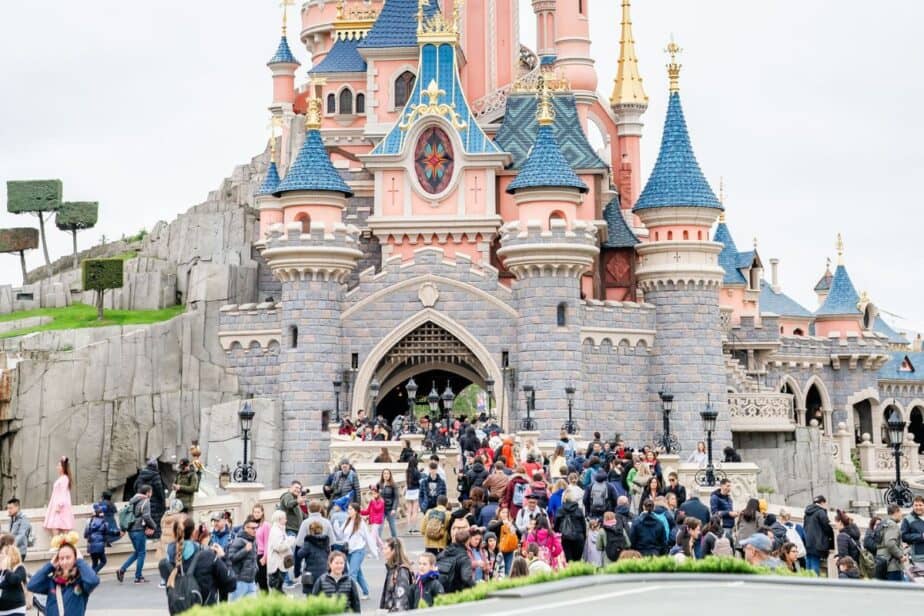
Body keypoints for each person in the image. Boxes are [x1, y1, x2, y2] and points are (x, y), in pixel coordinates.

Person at [28, 535, 100, 616]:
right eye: (61, 558)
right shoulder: (53, 581)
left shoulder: (81, 581)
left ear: (75, 559)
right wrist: (50, 565)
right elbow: (31, 585)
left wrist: (80, 561)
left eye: (68, 558)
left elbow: (93, 581)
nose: (64, 562)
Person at [116, 484, 157, 584]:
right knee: (142, 553)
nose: (151, 494)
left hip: (131, 530)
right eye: (151, 492)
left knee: (137, 552)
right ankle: (138, 577)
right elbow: (146, 516)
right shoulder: (145, 501)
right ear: (147, 492)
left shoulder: (133, 500)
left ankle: (122, 570)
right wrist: (154, 526)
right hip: (139, 530)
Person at [338, 502, 378, 600]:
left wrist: (374, 552)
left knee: (352, 574)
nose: (349, 511)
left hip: (358, 551)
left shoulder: (361, 523)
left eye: (351, 509)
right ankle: (366, 591)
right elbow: (341, 534)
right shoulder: (347, 520)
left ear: (356, 511)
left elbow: (368, 538)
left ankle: (349, 596)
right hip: (349, 551)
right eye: (348, 509)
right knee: (358, 573)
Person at [226, 516, 259, 600]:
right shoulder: (239, 540)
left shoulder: (253, 540)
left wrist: (256, 568)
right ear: (245, 528)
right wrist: (245, 550)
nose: (255, 530)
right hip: (239, 581)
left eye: (256, 528)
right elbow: (231, 558)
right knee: (234, 610)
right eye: (253, 528)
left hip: (251, 581)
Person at [436, 527, 475, 593]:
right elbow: (466, 578)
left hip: (439, 588)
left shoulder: (445, 551)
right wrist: (477, 588)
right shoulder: (464, 558)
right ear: (468, 541)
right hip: (455, 592)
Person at [43, 456, 75, 536]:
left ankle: (60, 546)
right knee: (57, 526)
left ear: (63, 467)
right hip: (58, 504)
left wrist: (59, 505)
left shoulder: (64, 478)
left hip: (60, 506)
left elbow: (63, 493)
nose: (57, 467)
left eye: (59, 466)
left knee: (58, 526)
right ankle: (57, 545)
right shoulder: (63, 478)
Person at [876, 504, 908, 582]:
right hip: (892, 565)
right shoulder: (892, 525)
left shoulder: (884, 524)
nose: (901, 515)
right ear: (896, 512)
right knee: (897, 592)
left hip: (883, 563)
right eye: (900, 513)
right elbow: (890, 543)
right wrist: (901, 556)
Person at [803, 494, 834, 575]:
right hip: (818, 543)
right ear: (822, 502)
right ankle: (814, 584)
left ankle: (807, 583)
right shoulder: (821, 512)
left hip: (807, 542)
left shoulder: (807, 512)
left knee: (808, 562)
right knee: (815, 563)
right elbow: (826, 527)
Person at [135, 458, 166, 536]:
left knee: (146, 520)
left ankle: (147, 537)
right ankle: (154, 538)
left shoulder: (141, 475)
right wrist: (163, 501)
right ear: (156, 465)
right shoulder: (155, 475)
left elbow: (134, 486)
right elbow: (159, 490)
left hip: (143, 502)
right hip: (155, 504)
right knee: (155, 522)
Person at [380, 537, 413, 612]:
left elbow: (401, 601)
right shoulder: (391, 569)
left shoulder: (401, 571)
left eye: (385, 549)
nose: (383, 551)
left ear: (393, 551)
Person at [554, 493, 586, 562]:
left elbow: (556, 526)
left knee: (568, 560)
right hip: (578, 537)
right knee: (577, 560)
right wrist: (584, 537)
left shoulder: (560, 510)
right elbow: (584, 525)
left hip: (565, 537)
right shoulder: (579, 510)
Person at [266, 510, 293, 592]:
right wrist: (290, 541)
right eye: (285, 518)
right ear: (279, 519)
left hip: (279, 563)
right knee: (277, 589)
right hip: (277, 565)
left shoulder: (279, 529)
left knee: (278, 588)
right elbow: (279, 546)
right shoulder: (276, 531)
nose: (286, 520)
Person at [0, 543, 27, 616]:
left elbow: (14, 580)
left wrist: (6, 570)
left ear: (11, 556)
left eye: (3, 554)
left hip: (15, 610)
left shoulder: (19, 568)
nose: (0, 556)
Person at [84, 505, 109, 573]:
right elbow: (106, 534)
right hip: (100, 545)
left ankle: (91, 576)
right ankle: (93, 573)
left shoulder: (89, 522)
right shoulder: (105, 523)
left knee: (94, 562)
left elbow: (85, 535)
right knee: (103, 561)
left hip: (91, 545)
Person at [901, 495, 924, 564]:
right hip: (919, 557)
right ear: (912, 506)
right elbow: (904, 536)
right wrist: (921, 536)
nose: (918, 507)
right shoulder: (908, 519)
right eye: (916, 505)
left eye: (920, 505)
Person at [378, 469, 400, 539]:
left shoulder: (393, 485)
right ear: (382, 475)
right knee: (379, 527)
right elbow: (376, 494)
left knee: (392, 526)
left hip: (390, 509)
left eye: (387, 473)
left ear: (390, 475)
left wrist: (394, 509)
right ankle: (378, 542)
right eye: (384, 473)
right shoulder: (379, 484)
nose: (386, 475)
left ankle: (395, 541)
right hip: (381, 509)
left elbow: (396, 498)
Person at [405, 456, 422, 534]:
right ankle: (413, 527)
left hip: (409, 491)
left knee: (409, 511)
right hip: (416, 491)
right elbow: (420, 481)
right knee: (415, 511)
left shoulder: (407, 471)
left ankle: (408, 528)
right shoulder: (417, 472)